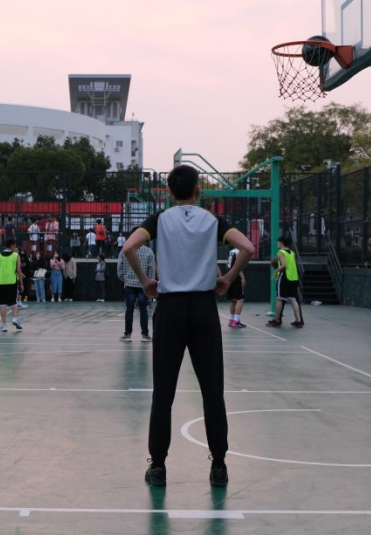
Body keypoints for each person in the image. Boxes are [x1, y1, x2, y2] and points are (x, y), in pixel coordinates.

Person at [122, 164, 254, 488]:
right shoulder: (213, 220)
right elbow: (248, 248)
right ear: (198, 190)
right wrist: (227, 278)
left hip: (170, 309)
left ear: (169, 192)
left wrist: (145, 281)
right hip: (203, 309)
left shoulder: (160, 220)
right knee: (212, 391)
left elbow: (128, 247)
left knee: (163, 392)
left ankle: (158, 467)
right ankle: (219, 465)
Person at [117, 229, 155, 341]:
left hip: (129, 284)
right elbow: (151, 269)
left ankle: (127, 334)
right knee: (144, 310)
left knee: (129, 309)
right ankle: (145, 334)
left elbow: (119, 268)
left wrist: (125, 279)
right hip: (144, 285)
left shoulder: (124, 251)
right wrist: (149, 282)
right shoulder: (149, 252)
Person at [266, 236, 304, 328]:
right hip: (293, 278)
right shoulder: (292, 252)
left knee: (279, 299)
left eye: (278, 242)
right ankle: (298, 320)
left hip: (284, 278)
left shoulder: (281, 252)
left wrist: (275, 272)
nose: (277, 243)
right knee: (293, 299)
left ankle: (276, 320)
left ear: (281, 243)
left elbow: (284, 265)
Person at [0, 238, 24, 332]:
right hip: (12, 282)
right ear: (12, 245)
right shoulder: (16, 255)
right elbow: (18, 271)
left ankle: (4, 325)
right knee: (14, 303)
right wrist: (21, 283)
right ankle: (15, 319)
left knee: (3, 304)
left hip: (1, 282)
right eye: (15, 245)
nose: (15, 247)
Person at [226, 247, 247, 328]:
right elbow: (238, 265)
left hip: (230, 276)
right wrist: (242, 277)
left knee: (233, 300)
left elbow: (228, 265)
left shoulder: (231, 252)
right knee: (240, 299)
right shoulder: (239, 252)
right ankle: (236, 321)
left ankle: (231, 320)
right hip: (236, 277)